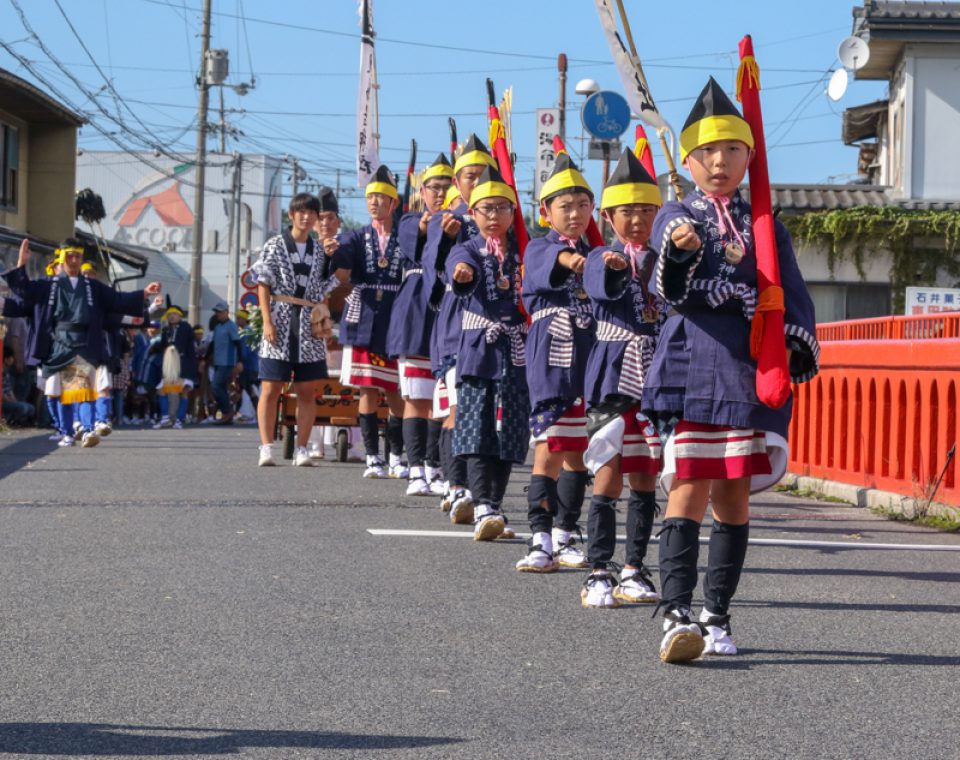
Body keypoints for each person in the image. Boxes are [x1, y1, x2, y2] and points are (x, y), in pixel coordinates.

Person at [643, 78, 820, 662]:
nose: (720, 163)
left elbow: (791, 293)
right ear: (687, 161)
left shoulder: (768, 225)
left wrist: (794, 342)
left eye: (733, 151)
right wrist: (683, 247)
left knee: (735, 497)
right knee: (689, 485)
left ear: (750, 157)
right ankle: (674, 613)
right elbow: (666, 288)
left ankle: (717, 614)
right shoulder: (676, 214)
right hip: (694, 362)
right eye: (707, 153)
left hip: (745, 369)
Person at [580, 148, 665, 606]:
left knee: (646, 475)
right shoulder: (599, 256)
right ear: (609, 215)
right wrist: (614, 269)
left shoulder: (668, 258)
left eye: (646, 211)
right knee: (608, 472)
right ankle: (597, 569)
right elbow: (598, 285)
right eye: (626, 212)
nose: (636, 220)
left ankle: (634, 567)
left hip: (654, 377)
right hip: (612, 378)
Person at [515, 153, 594, 575]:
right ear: (546, 212)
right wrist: (571, 260)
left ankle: (565, 532)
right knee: (549, 448)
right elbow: (550, 263)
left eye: (582, 205)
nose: (575, 213)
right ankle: (539, 536)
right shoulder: (540, 247)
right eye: (565, 206)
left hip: (586, 359)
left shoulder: (596, 252)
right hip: (551, 359)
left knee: (578, 452)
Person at [2, 238, 160, 447]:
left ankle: (86, 430)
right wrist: (21, 264)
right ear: (62, 257)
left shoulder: (92, 287)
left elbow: (116, 300)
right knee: (60, 392)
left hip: (83, 342)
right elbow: (25, 293)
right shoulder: (48, 284)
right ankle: (67, 431)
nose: (74, 261)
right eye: (70, 256)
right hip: (58, 343)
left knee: (82, 388)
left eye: (78, 256)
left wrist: (144, 294)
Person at [447, 164, 530, 541]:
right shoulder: (468, 248)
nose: (494, 216)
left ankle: (493, 505)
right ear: (473, 213)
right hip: (480, 351)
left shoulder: (527, 249)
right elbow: (456, 264)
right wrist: (462, 272)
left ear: (514, 213)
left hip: (516, 351)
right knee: (476, 429)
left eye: (501, 208)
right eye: (486, 209)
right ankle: (482, 503)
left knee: (510, 431)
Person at [422, 134, 497, 521]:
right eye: (469, 175)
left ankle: (482, 491)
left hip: (495, 330)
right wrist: (448, 239)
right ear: (457, 180)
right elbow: (431, 273)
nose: (477, 180)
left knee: (484, 414)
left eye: (484, 173)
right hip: (457, 324)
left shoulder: (503, 215)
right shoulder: (445, 220)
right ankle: (456, 486)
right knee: (456, 408)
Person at [253, 192, 340, 467]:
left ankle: (302, 447)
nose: (306, 217)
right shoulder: (275, 245)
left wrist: (324, 322)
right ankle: (266, 446)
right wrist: (266, 321)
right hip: (279, 319)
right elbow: (263, 282)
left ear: (316, 218)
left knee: (306, 390)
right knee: (271, 388)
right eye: (300, 212)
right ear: (291, 215)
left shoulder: (319, 251)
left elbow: (325, 288)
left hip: (308, 324)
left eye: (311, 213)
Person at [386, 154, 454, 496]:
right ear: (422, 191)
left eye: (447, 186)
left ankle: (434, 466)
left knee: (443, 399)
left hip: (448, 312)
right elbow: (420, 233)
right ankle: (415, 470)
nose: (440, 193)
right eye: (434, 187)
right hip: (416, 312)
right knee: (416, 397)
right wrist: (436, 222)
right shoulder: (411, 220)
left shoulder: (463, 221)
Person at [332, 166, 407, 479]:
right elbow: (343, 257)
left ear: (393, 203)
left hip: (394, 315)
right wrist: (333, 250)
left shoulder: (406, 237)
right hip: (363, 315)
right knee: (367, 389)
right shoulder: (356, 236)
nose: (374, 202)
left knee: (395, 392)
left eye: (381, 197)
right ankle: (373, 456)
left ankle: (397, 455)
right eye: (371, 197)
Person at [149, 300, 198, 430]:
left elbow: (186, 345)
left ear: (180, 316)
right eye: (169, 314)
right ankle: (165, 418)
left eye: (174, 314)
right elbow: (164, 346)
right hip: (169, 366)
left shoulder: (186, 327)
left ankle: (179, 420)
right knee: (161, 389)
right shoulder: (166, 330)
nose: (171, 316)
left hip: (184, 365)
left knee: (184, 391)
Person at [208, 301, 241, 425]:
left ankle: (227, 412)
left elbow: (238, 344)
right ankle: (227, 415)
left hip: (227, 362)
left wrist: (240, 361)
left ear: (227, 312)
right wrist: (205, 359)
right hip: (217, 362)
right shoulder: (218, 326)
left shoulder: (231, 326)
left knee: (216, 386)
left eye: (220, 312)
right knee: (220, 387)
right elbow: (212, 344)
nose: (218, 314)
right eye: (217, 312)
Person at [2, 346, 35, 426]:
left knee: (31, 408)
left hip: (7, 400)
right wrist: (10, 401)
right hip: (3, 401)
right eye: (12, 357)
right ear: (6, 359)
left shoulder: (6, 372)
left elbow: (9, 389)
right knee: (23, 408)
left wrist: (14, 400)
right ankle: (10, 421)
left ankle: (13, 421)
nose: (13, 360)